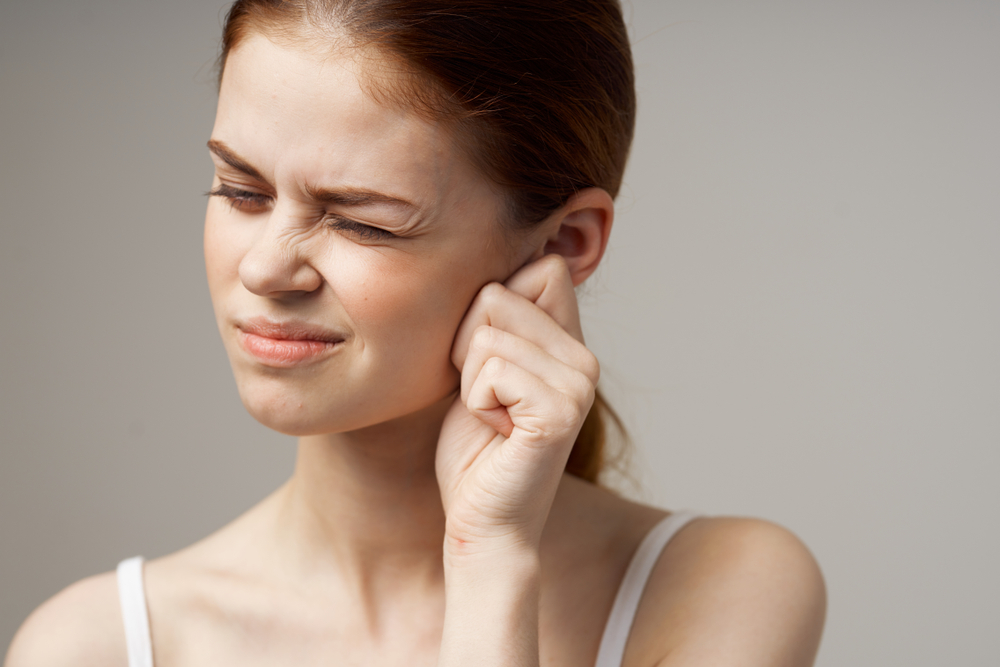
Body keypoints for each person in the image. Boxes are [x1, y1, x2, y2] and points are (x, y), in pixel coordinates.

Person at [4, 1, 826, 665]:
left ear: (563, 243)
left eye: (362, 222)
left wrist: (490, 559)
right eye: (240, 190)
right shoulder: (93, 647)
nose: (264, 269)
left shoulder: (722, 590)